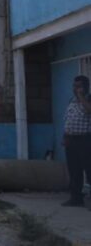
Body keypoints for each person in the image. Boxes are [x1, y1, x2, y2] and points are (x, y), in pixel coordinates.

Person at [62, 75, 91, 207]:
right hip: (71, 140)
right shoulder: (71, 101)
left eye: (78, 86)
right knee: (74, 170)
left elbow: (89, 110)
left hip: (85, 140)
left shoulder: (88, 99)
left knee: (89, 169)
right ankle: (76, 198)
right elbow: (68, 120)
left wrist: (81, 97)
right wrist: (65, 137)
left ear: (85, 87)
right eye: (74, 86)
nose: (75, 89)